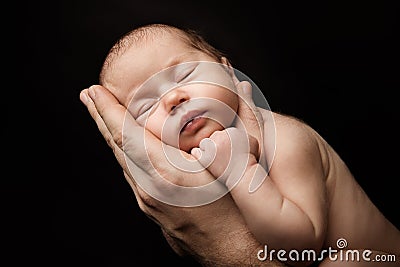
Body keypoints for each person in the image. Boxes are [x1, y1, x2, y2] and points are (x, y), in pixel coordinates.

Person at [80, 23, 400, 266]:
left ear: (228, 70)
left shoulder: (285, 140)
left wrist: (240, 170)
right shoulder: (193, 174)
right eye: (147, 106)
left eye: (185, 75)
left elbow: (301, 250)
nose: (173, 98)